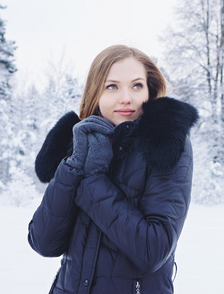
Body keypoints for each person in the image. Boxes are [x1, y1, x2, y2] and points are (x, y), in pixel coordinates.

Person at [28, 44, 199, 294]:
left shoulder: (165, 144)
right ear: (96, 92)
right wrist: (74, 166)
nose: (126, 97)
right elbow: (43, 243)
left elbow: (153, 250)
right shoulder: (80, 142)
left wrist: (92, 180)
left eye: (137, 85)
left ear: (150, 91)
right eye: (112, 86)